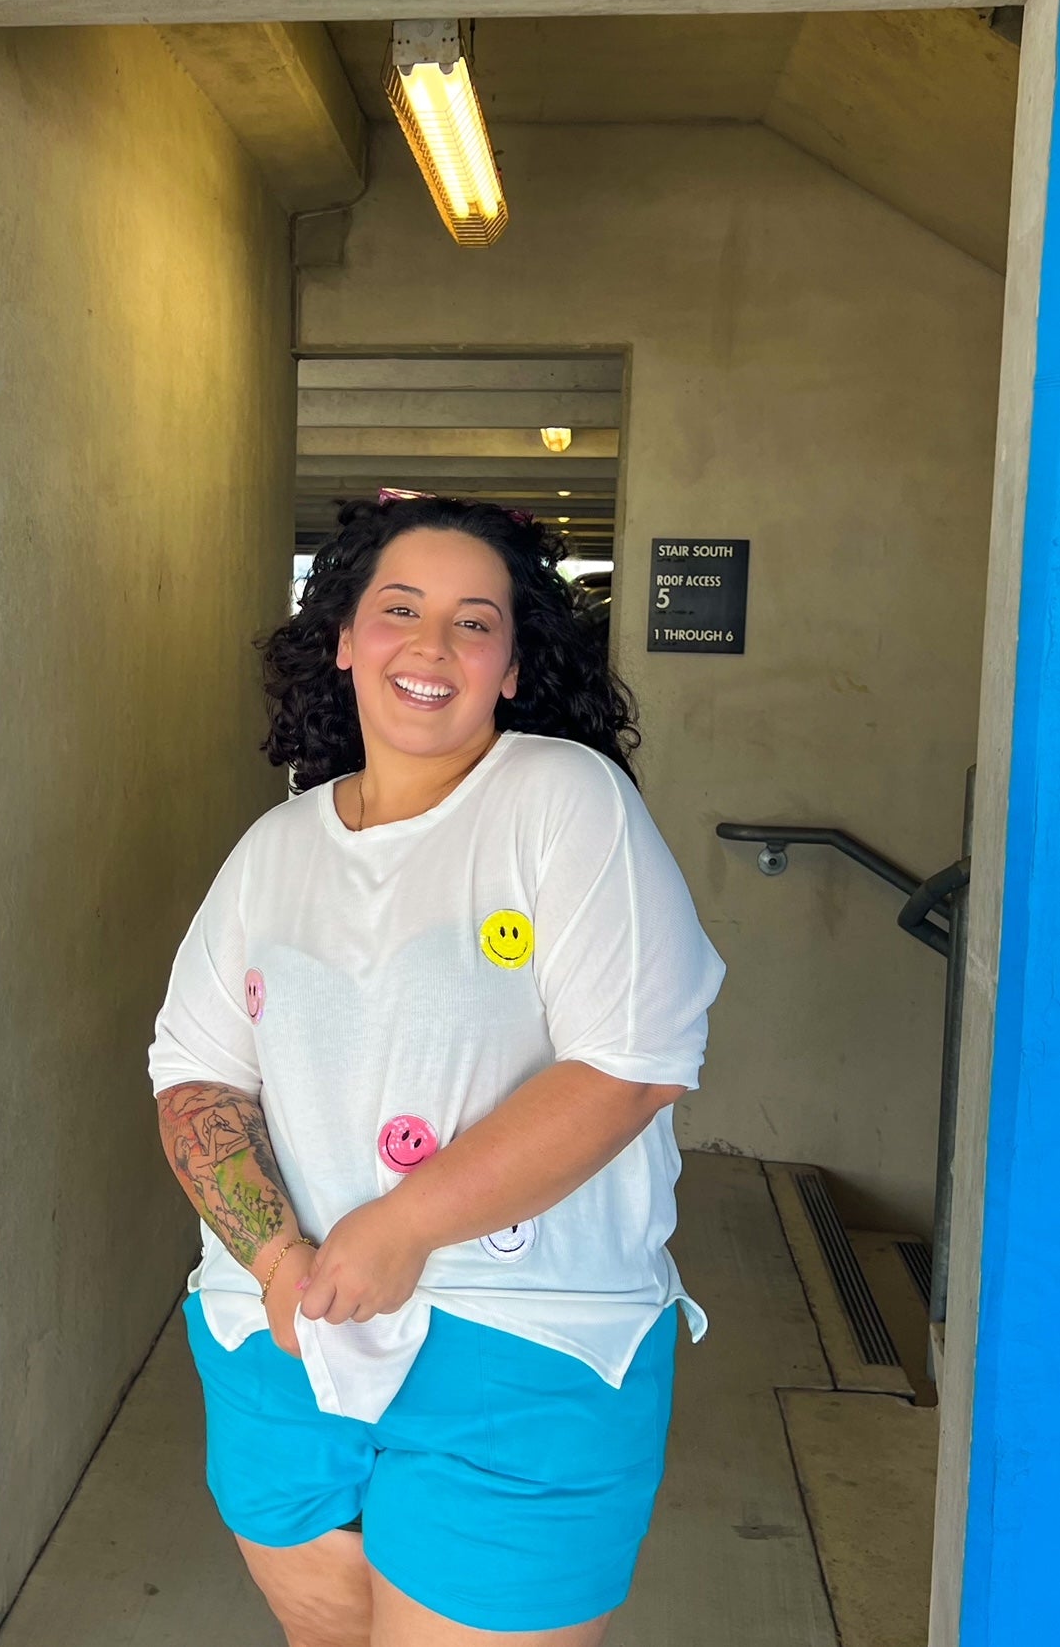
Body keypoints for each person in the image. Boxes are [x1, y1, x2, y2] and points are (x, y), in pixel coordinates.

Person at [147, 494, 725, 1647]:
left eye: (474, 621)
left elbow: (630, 1065)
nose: (431, 644)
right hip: (279, 1340)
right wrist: (276, 1261)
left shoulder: (562, 799)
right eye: (399, 609)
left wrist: (404, 1225)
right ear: (342, 640)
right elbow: (196, 1074)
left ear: (511, 665)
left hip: (520, 1346)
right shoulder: (274, 848)